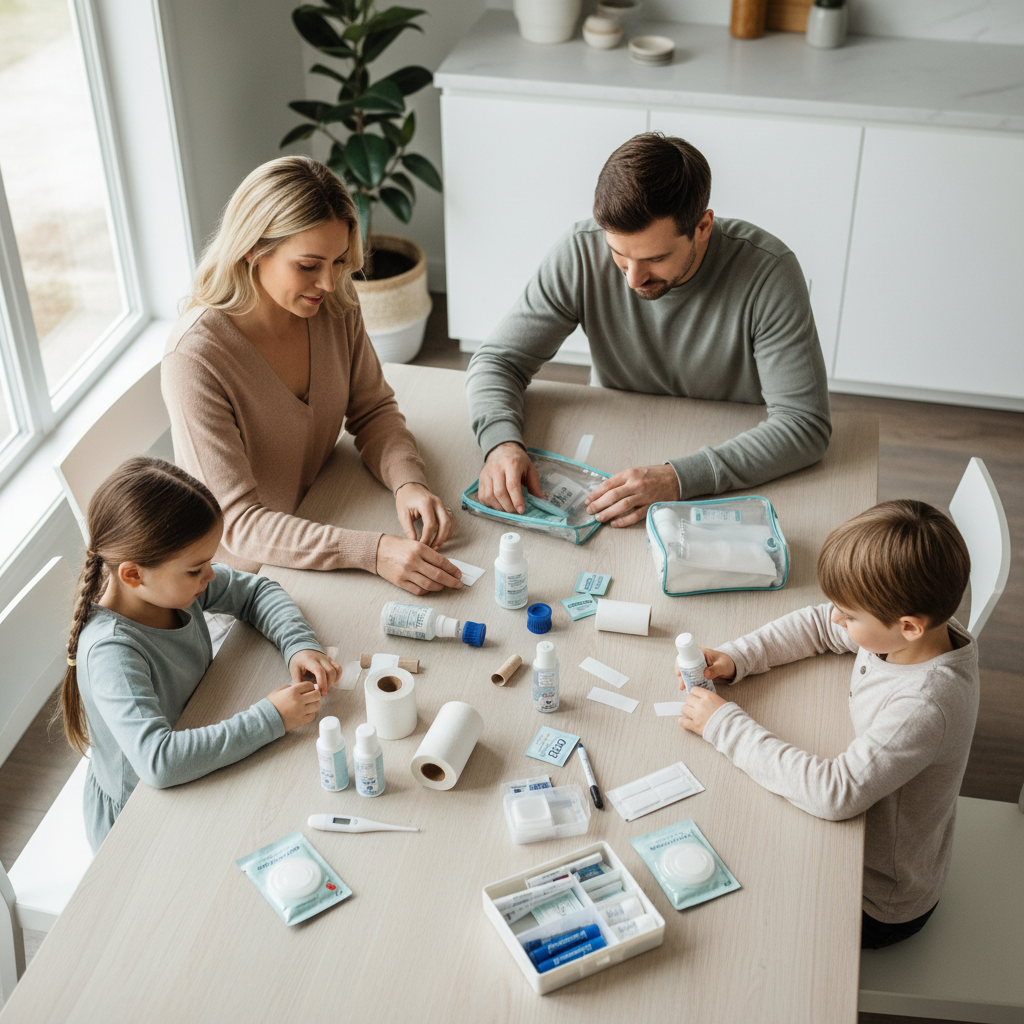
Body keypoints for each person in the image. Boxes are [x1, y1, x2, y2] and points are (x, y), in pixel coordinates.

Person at [467, 132, 832, 527]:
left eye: (655, 258)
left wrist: (677, 479)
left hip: (730, 457)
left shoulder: (769, 273)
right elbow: (497, 361)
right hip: (617, 447)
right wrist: (501, 443)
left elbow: (803, 424)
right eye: (619, 255)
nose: (633, 279)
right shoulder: (578, 252)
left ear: (704, 226)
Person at [677, 500, 978, 949]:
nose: (835, 616)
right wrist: (740, 656)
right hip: (878, 846)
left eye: (850, 614)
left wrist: (724, 724)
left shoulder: (924, 705)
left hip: (878, 900)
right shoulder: (913, 629)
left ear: (909, 627)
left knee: (726, 905)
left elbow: (834, 793)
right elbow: (820, 624)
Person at [163, 156, 462, 597]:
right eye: (308, 265)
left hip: (326, 511)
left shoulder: (333, 305)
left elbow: (373, 409)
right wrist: (373, 552)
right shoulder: (195, 358)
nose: (328, 281)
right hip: (245, 582)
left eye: (339, 261)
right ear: (253, 249)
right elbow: (240, 526)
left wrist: (408, 481)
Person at [60, 456, 340, 852]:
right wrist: (271, 717)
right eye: (197, 569)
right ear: (133, 574)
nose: (210, 577)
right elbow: (160, 762)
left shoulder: (171, 587)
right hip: (139, 820)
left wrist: (299, 644)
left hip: (200, 739)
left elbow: (257, 591)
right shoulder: (112, 653)